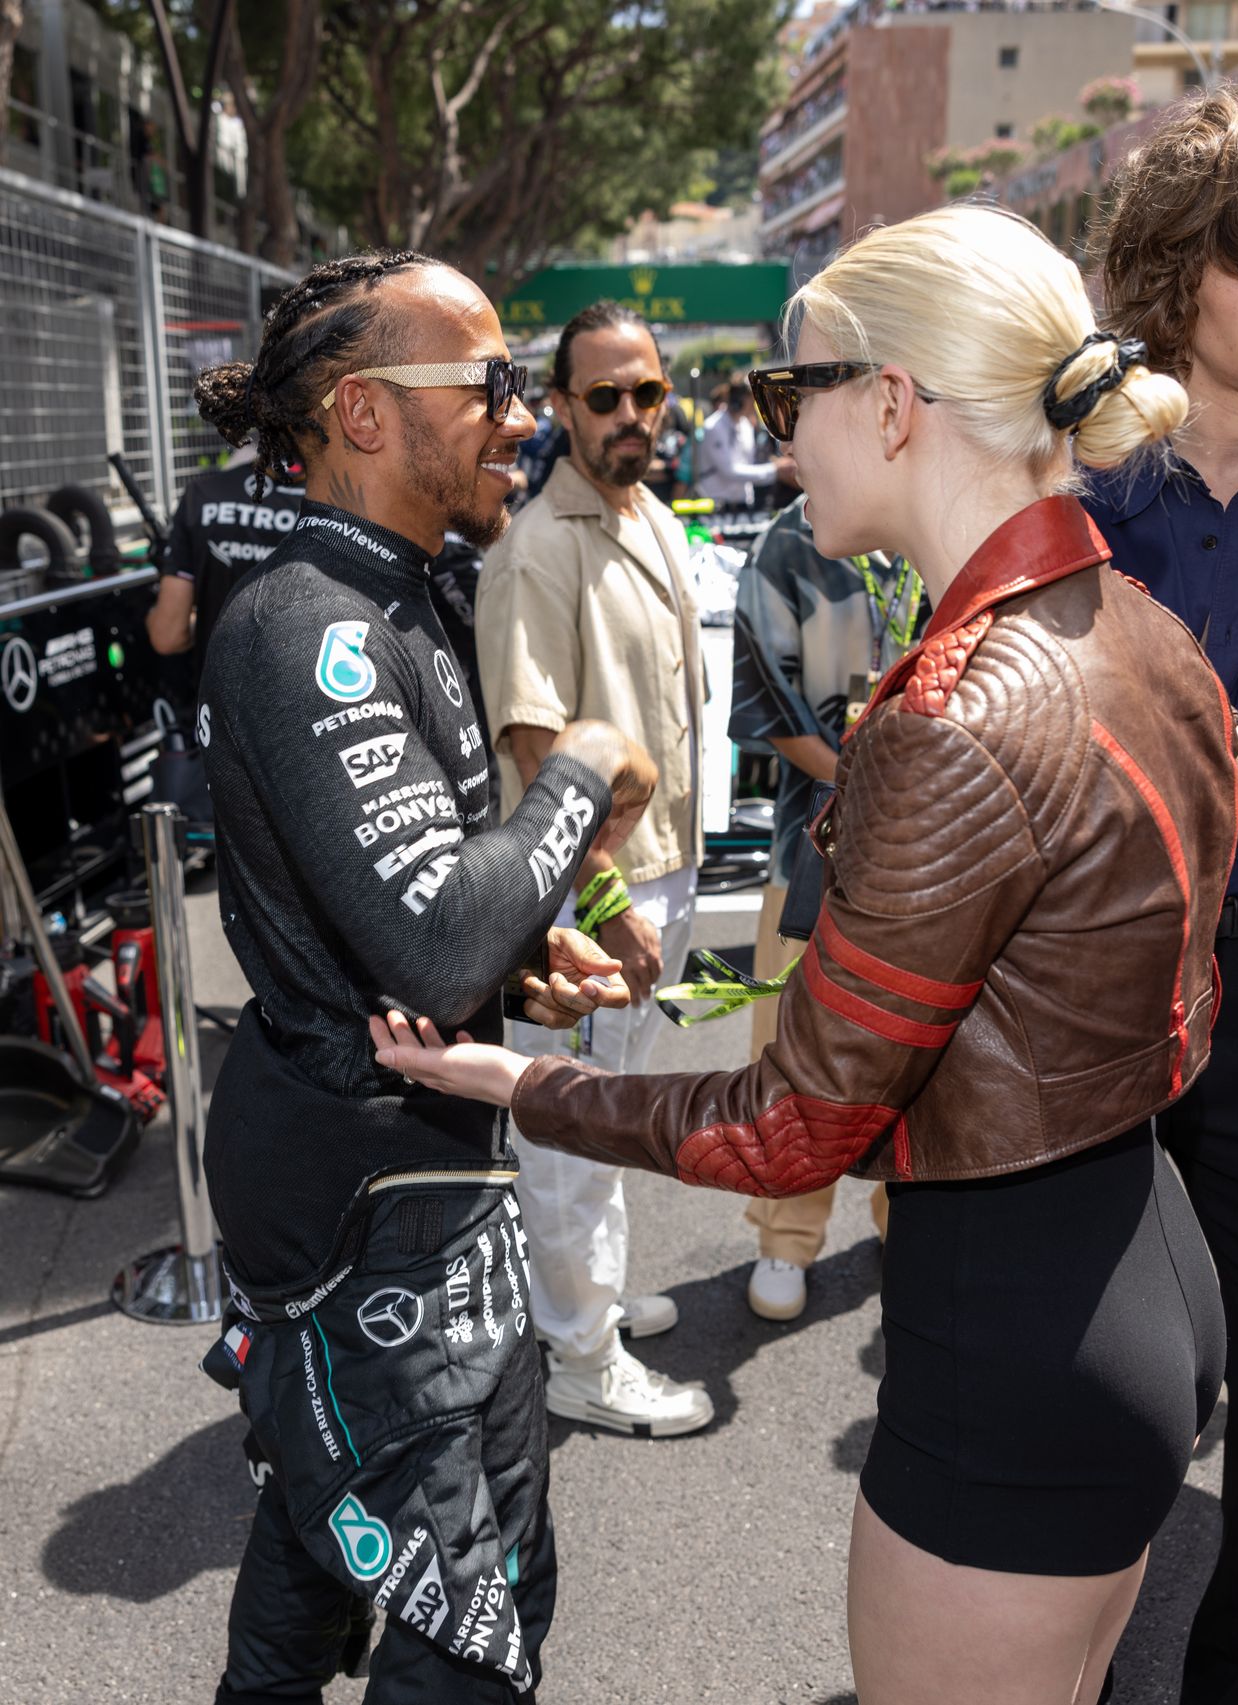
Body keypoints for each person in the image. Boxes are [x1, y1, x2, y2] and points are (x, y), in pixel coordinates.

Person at [372, 205, 1238, 1705]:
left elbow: (791, 1125)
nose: (778, 442)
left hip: (1013, 1333)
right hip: (1135, 1262)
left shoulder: (960, 714)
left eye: (792, 398)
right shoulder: (1143, 629)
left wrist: (521, 1080)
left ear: (891, 403)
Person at [191, 249, 657, 1705]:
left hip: (417, 1172)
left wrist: (533, 955)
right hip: (357, 1195)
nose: (522, 414)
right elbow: (430, 939)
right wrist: (583, 764)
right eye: (492, 385)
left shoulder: (400, 594)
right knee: (479, 1616)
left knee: (330, 1545)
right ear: (366, 413)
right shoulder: (308, 625)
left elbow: (425, 918)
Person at [1086, 83, 1238, 1705]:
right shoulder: (1080, 500)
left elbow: (1063, 720)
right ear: (1179, 275)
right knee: (1075, 1390)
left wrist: (1118, 708)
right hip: (1086, 999)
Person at [475, 301, 712, 1438]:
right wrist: (608, 901)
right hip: (584, 897)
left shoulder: (650, 516)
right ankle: (578, 1356)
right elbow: (534, 751)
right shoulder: (537, 550)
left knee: (603, 1117)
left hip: (656, 873)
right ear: (559, 405)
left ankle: (588, 1302)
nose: (629, 415)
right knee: (567, 1132)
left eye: (646, 393)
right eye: (603, 396)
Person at [730, 496, 922, 1319]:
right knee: (791, 1049)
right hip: (809, 850)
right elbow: (765, 711)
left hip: (927, 849)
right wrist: (861, 777)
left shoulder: (930, 522)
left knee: (911, 1046)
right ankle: (785, 1238)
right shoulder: (786, 545)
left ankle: (902, 1222)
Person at [146, 446, 303, 685]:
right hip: (300, 697)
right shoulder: (326, 498)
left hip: (219, 701)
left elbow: (168, 635)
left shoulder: (201, 495)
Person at [698, 379, 777, 509]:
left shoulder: (746, 426)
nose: (754, 405)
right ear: (738, 401)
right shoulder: (713, 427)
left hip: (744, 502)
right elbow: (729, 471)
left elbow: (748, 463)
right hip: (718, 505)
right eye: (751, 401)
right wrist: (774, 471)